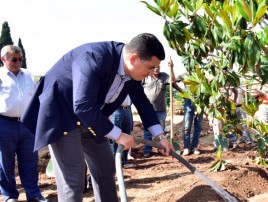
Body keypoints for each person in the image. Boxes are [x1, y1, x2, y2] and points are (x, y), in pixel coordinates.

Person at [21, 33, 174, 202]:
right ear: (134, 59)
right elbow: (82, 106)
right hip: (62, 116)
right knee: (73, 177)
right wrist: (119, 135)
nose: (152, 72)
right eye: (151, 67)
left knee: (105, 168)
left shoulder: (132, 74)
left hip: (92, 118)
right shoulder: (94, 58)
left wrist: (160, 136)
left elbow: (143, 104)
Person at [0, 45, 49, 202]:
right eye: (14, 59)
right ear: (3, 59)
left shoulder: (28, 74)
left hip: (27, 124)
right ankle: (10, 196)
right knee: (5, 162)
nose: (18, 62)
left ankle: (33, 194)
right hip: (4, 123)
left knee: (30, 161)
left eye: (20, 59)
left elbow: (37, 97)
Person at [142, 59, 181, 157]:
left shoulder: (164, 76)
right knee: (147, 131)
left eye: (158, 67)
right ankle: (147, 150)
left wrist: (171, 68)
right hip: (147, 109)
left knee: (160, 131)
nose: (156, 69)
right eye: (154, 67)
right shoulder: (145, 77)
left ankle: (161, 149)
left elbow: (172, 81)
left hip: (160, 110)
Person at [109, 95, 133, 167]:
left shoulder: (130, 84)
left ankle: (123, 161)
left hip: (128, 109)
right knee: (115, 137)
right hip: (116, 110)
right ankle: (115, 162)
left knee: (126, 136)